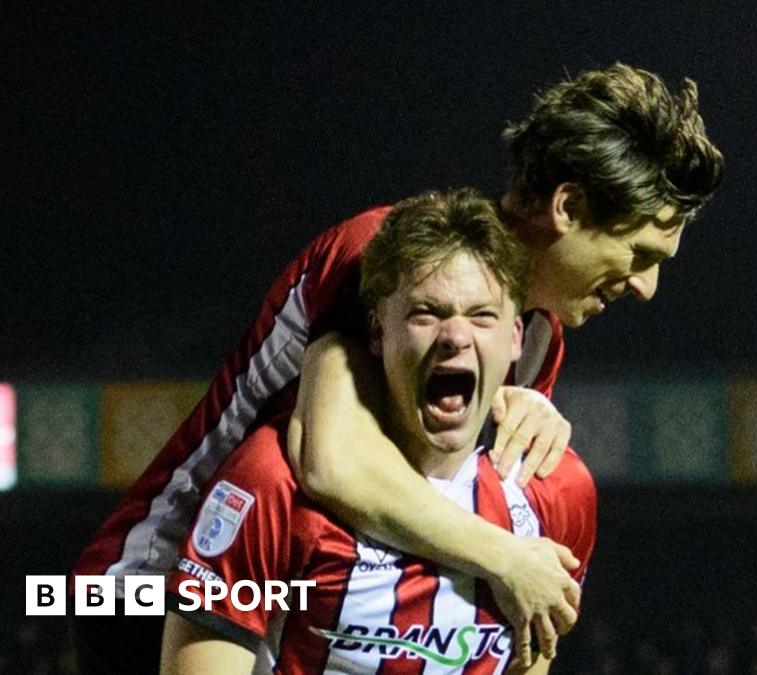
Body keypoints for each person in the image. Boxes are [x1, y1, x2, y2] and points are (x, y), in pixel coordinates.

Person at [72, 62, 723, 672]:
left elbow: (443, 496)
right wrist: (509, 557)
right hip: (154, 593)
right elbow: (332, 462)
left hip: (291, 615)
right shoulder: (388, 257)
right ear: (570, 208)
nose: (647, 287)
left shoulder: (534, 340)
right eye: (640, 252)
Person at [161, 189, 596, 674]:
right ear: (375, 331)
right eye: (425, 314)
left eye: (481, 316)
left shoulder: (556, 490)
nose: (455, 337)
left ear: (517, 336)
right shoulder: (268, 484)